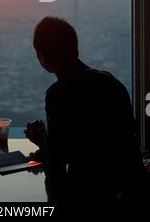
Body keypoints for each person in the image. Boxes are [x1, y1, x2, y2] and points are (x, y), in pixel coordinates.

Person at [25, 17, 146, 214]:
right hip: (129, 191)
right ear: (75, 48)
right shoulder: (110, 82)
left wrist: (42, 141)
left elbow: (58, 156)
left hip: (87, 197)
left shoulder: (58, 93)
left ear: (42, 57)